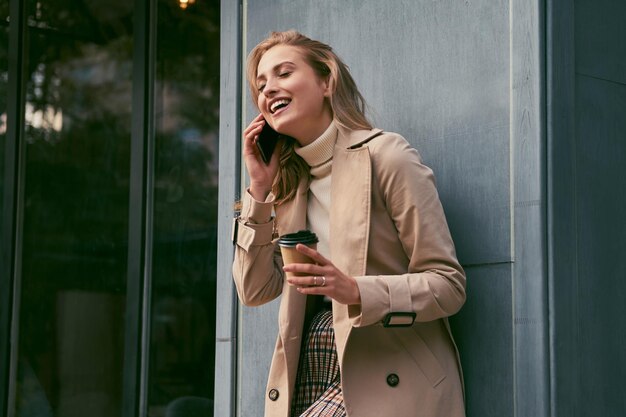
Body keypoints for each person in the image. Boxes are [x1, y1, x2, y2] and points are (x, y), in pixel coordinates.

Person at [232, 30, 466, 417]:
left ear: (326, 81)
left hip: (388, 363)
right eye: (260, 84)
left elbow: (448, 285)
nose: (269, 89)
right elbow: (254, 291)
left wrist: (355, 290)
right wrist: (259, 191)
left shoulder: (387, 156)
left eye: (283, 73)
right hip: (313, 356)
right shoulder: (288, 184)